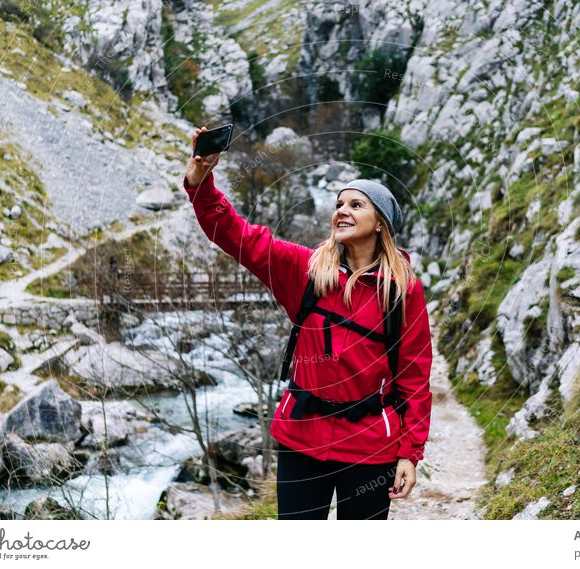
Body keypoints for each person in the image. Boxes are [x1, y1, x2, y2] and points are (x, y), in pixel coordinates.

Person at [183, 126, 432, 520]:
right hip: (300, 438)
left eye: (356, 205)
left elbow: (414, 377)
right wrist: (200, 182)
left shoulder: (403, 291)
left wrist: (410, 453)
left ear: (381, 222)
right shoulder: (305, 269)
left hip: (369, 447)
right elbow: (236, 235)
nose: (342, 211)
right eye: (339, 204)